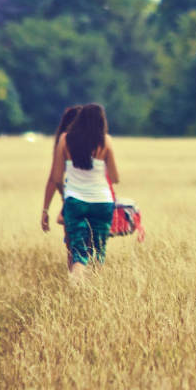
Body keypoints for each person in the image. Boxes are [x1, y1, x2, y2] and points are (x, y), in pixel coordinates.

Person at [42, 103, 119, 274]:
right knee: (97, 252)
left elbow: (56, 178)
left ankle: (77, 289)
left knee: (78, 253)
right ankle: (93, 294)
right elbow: (115, 178)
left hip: (75, 201)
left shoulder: (65, 139)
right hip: (102, 202)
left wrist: (65, 195)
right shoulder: (106, 141)